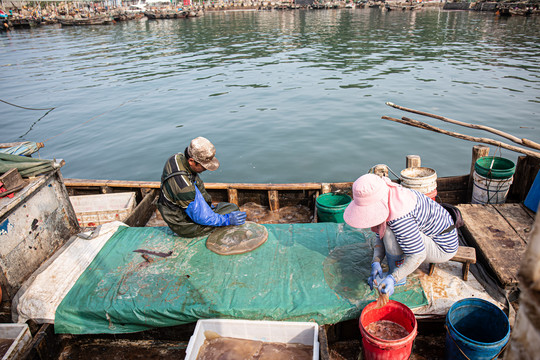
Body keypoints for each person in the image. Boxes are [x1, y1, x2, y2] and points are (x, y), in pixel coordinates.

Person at [343, 174, 458, 297]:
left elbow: (418, 255)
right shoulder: (390, 194)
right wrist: (376, 261)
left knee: (389, 232)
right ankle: (396, 262)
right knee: (387, 231)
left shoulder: (399, 216)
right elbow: (379, 234)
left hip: (442, 246)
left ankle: (397, 275)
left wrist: (394, 278)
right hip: (431, 233)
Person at [157, 136, 246, 238]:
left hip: (180, 206)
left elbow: (198, 188)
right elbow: (202, 218)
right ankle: (185, 232)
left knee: (227, 209)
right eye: (204, 166)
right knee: (233, 209)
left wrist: (209, 207)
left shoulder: (177, 158)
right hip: (182, 223)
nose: (206, 168)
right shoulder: (184, 188)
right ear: (191, 161)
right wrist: (227, 220)